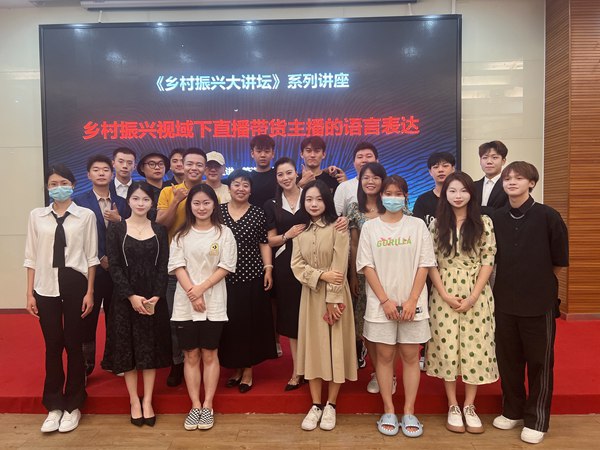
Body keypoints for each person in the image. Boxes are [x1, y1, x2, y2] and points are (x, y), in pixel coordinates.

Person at [491, 161, 568, 445]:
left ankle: (537, 419)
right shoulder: (496, 218)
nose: (511, 182)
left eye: (519, 178)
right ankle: (512, 410)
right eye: (507, 179)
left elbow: (559, 261)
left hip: (538, 302)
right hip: (504, 300)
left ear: (531, 183)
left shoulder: (548, 216)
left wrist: (537, 281)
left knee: (539, 362)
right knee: (508, 360)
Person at [356, 175, 436, 438]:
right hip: (381, 305)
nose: (393, 197)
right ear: (381, 196)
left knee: (411, 356)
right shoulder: (370, 228)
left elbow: (425, 263)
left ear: (406, 197)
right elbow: (366, 266)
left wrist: (412, 300)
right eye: (388, 193)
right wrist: (385, 301)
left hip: (414, 304)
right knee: (384, 356)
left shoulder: (417, 226)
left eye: (398, 193)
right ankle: (389, 409)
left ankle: (409, 410)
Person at [24, 164, 98, 433]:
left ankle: (74, 404)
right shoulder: (37, 216)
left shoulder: (85, 215)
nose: (59, 188)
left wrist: (90, 292)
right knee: (53, 344)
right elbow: (31, 256)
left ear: (73, 185)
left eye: (64, 183)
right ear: (47, 187)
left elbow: (91, 257)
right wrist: (29, 293)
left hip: (75, 282)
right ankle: (54, 404)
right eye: (53, 184)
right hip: (45, 285)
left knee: (74, 344)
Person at [426, 172, 498, 434]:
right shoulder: (436, 225)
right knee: (447, 347)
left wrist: (474, 296)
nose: (458, 196)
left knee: (474, 346)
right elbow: (430, 262)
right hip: (443, 291)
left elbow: (488, 260)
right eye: (452, 191)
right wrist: (444, 294)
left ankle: (469, 405)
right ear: (445, 194)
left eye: (463, 190)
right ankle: (453, 405)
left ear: (471, 193)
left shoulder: (484, 222)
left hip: (475, 291)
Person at [101, 182, 172, 427]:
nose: (141, 203)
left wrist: (157, 296)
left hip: (152, 298)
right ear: (128, 201)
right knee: (128, 350)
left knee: (149, 349)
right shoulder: (117, 229)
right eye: (136, 199)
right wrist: (131, 296)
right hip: (125, 299)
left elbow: (163, 265)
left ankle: (148, 400)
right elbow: (114, 266)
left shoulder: (159, 230)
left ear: (152, 203)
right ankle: (134, 400)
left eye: (145, 199)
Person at [168, 183, 237, 431]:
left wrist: (201, 289)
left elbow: (227, 265)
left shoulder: (224, 233)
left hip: (214, 302)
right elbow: (177, 266)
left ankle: (208, 405)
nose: (201, 207)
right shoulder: (181, 235)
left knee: (209, 354)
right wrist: (192, 293)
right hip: (185, 304)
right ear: (190, 206)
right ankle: (195, 405)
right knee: (191, 355)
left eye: (206, 203)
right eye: (196, 203)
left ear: (214, 205)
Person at [291, 180, 357, 432]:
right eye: (309, 199)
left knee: (335, 347)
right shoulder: (300, 232)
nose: (314, 204)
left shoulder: (338, 227)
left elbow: (339, 266)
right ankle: (316, 404)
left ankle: (331, 404)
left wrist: (332, 299)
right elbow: (296, 266)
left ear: (327, 201)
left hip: (335, 296)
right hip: (311, 296)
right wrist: (320, 275)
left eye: (319, 199)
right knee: (314, 349)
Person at [218, 170, 278, 392]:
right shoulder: (218, 212)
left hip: (252, 275)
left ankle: (248, 370)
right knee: (230, 323)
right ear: (229, 187)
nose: (241, 188)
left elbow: (264, 243)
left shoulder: (258, 213)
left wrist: (268, 268)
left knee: (249, 323)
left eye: (245, 185)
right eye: (236, 184)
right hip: (223, 277)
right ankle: (236, 367)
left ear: (251, 190)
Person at [73, 155, 128, 377]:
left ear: (112, 174)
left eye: (105, 169)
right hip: (91, 269)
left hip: (118, 269)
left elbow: (133, 232)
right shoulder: (79, 202)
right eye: (96, 169)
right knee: (88, 317)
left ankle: (114, 360)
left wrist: (120, 221)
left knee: (116, 317)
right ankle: (86, 365)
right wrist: (100, 256)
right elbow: (76, 237)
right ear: (88, 175)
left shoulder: (123, 202)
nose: (101, 173)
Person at [157, 147, 207, 387]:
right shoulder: (168, 192)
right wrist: (177, 200)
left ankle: (203, 362)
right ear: (181, 166)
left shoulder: (208, 193)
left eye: (199, 164)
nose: (194, 168)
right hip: (174, 268)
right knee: (175, 319)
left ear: (204, 168)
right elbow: (160, 225)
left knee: (205, 318)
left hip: (204, 269)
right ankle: (177, 362)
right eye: (190, 164)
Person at [264, 157, 307, 391]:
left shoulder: (310, 196)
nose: (285, 178)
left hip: (312, 263)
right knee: (291, 319)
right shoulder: (272, 204)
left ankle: (313, 367)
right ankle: (297, 370)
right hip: (285, 265)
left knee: (312, 317)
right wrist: (287, 235)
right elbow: (269, 240)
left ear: (296, 173)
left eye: (289, 172)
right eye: (280, 174)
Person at [346, 162, 387, 377]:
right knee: (366, 326)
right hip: (364, 275)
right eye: (366, 178)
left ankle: (389, 373)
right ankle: (377, 372)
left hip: (389, 274)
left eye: (375, 177)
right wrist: (353, 275)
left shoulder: (392, 205)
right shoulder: (354, 209)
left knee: (388, 325)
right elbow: (353, 245)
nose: (370, 182)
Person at [334, 142, 379, 216]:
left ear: (377, 161)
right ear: (354, 163)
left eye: (369, 156)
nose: (364, 160)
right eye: (360, 157)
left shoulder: (386, 185)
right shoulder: (344, 187)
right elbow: (336, 216)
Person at [412, 151, 456, 227]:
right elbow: (416, 228)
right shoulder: (422, 200)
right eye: (436, 167)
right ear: (430, 172)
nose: (440, 170)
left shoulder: (459, 198)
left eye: (445, 166)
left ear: (453, 169)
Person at [474, 141, 509, 216]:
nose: (489, 162)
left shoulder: (509, 185)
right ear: (480, 161)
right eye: (485, 157)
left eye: (494, 157)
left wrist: (480, 209)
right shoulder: (473, 186)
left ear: (503, 161)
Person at [137, 152, 170, 221]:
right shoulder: (138, 191)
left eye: (161, 164)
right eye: (152, 164)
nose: (157, 167)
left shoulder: (172, 188)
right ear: (142, 168)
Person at [248, 134, 277, 209]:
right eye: (259, 151)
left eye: (267, 151)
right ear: (252, 153)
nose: (263, 155)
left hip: (276, 216)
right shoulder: (248, 178)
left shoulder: (278, 176)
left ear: (273, 154)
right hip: (253, 215)